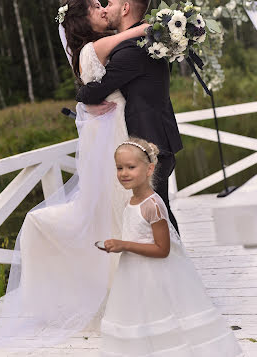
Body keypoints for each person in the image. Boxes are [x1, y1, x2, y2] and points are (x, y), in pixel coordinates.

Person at [0, 0, 150, 350]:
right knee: (116, 206)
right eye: (96, 7)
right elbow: (136, 32)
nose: (102, 11)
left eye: (101, 4)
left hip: (110, 132)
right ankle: (126, 288)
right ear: (81, 19)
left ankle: (131, 282)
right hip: (112, 136)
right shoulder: (94, 49)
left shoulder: (90, 48)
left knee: (115, 207)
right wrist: (168, 26)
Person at [99, 137, 243, 357]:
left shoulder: (153, 205)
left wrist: (123, 244)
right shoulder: (131, 201)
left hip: (155, 276)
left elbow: (162, 249)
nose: (124, 173)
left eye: (131, 167)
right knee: (141, 319)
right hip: (134, 275)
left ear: (149, 169)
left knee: (164, 318)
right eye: (119, 168)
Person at [76, 0, 183, 236]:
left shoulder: (132, 49)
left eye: (110, 3)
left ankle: (173, 268)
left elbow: (93, 92)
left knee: (154, 216)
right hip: (160, 140)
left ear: (124, 9)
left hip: (151, 144)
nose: (106, 9)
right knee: (160, 213)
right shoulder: (149, 39)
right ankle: (173, 269)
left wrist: (81, 94)